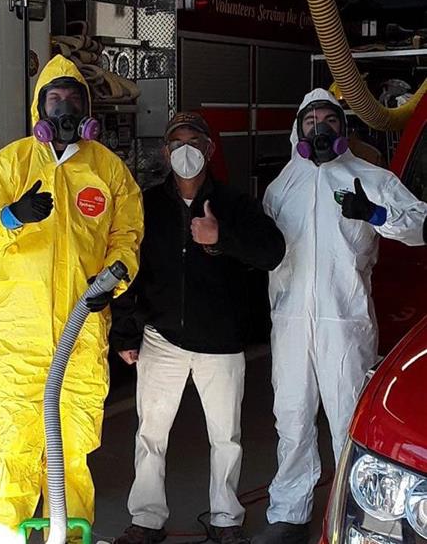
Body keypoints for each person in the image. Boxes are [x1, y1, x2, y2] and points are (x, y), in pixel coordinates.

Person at [0, 54, 144, 544]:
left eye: (73, 99)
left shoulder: (107, 170)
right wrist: (11, 216)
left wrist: (113, 279)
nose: (63, 106)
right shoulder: (13, 162)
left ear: (87, 109)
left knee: (71, 454)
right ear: (38, 109)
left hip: (80, 337)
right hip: (19, 343)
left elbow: (127, 237)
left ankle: (68, 538)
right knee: (14, 449)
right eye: (55, 98)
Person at [255, 88, 427, 544]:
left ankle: (350, 514)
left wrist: (375, 213)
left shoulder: (369, 178)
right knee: (291, 415)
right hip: (290, 322)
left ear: (344, 129)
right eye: (310, 120)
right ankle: (289, 511)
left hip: (344, 320)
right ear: (298, 129)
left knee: (348, 418)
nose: (320, 127)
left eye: (329, 119)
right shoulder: (281, 187)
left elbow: (420, 226)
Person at [109, 112, 286, 544]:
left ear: (208, 150)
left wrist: (220, 236)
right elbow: (129, 269)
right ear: (166, 152)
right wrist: (127, 332)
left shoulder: (234, 203)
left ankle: (227, 519)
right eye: (177, 142)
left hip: (220, 341)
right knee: (150, 435)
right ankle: (147, 519)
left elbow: (272, 252)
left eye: (195, 141)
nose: (186, 150)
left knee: (226, 437)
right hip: (162, 337)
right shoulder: (145, 204)